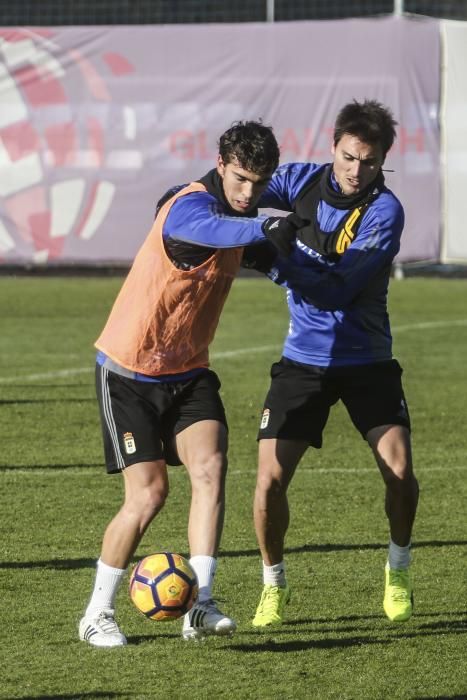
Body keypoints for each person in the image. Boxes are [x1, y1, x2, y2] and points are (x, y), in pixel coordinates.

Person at [78, 120, 308, 647]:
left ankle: (200, 605)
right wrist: (265, 228)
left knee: (211, 469)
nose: (249, 193)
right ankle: (96, 613)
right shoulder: (189, 208)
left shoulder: (243, 216)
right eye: (241, 179)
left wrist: (322, 263)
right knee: (150, 494)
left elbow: (280, 260)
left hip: (188, 371)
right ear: (222, 165)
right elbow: (220, 231)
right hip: (129, 371)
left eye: (260, 182)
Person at [246, 100, 419, 627]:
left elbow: (339, 290)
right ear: (333, 147)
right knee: (268, 483)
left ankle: (398, 568)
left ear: (382, 161)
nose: (355, 170)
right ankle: (273, 585)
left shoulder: (384, 212)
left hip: (368, 360)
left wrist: (279, 260)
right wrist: (197, 196)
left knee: (401, 474)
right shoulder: (300, 179)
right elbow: (243, 188)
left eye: (368, 162)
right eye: (348, 157)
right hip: (303, 363)